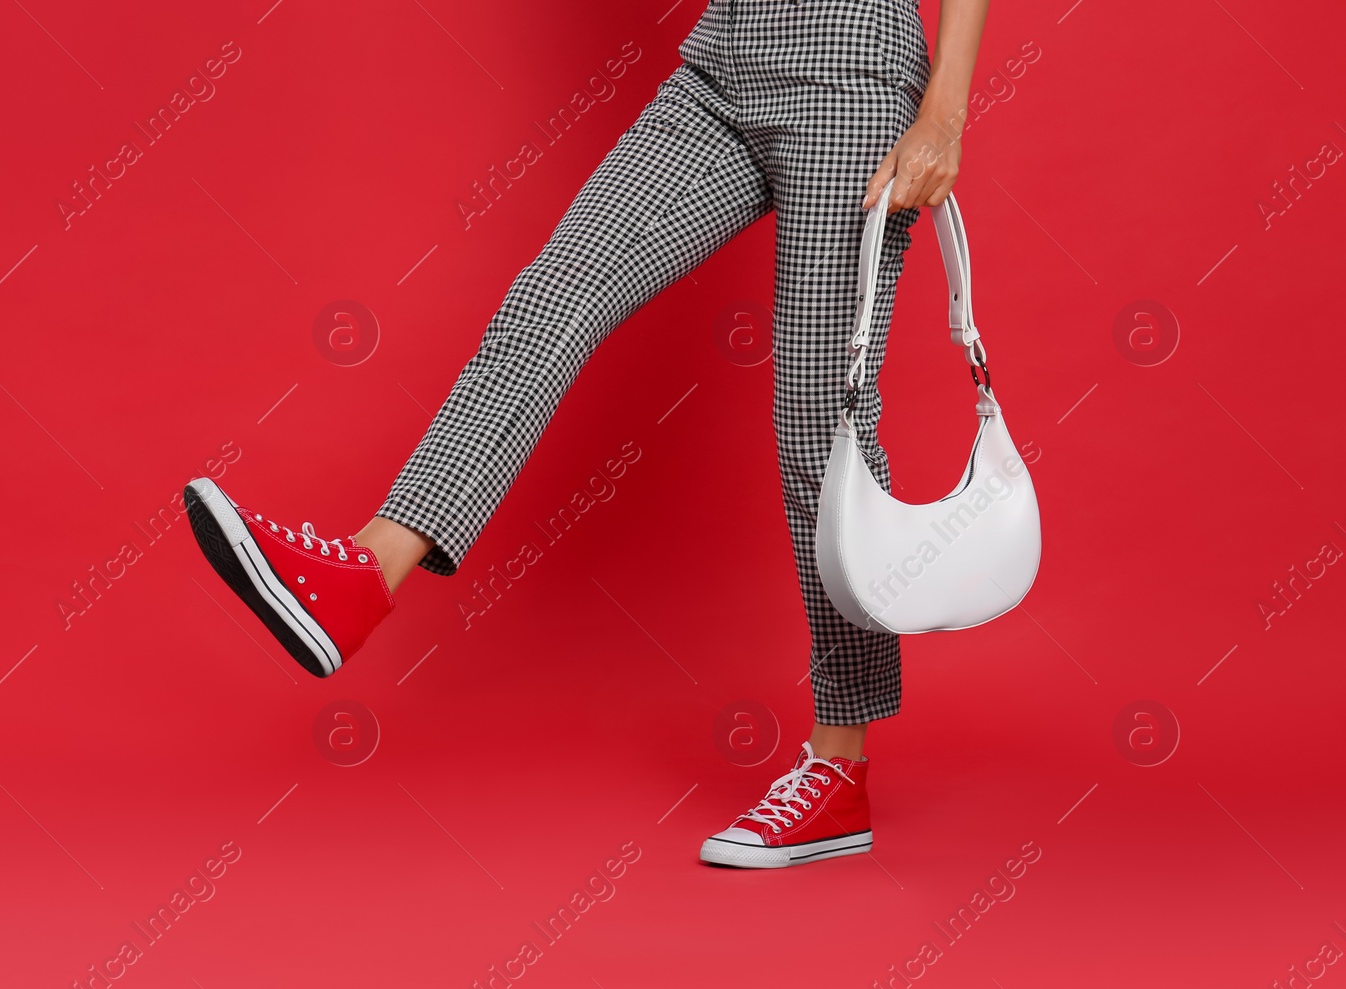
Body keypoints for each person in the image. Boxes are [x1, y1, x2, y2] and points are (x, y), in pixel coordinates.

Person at [185, 0, 989, 869]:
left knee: (817, 419)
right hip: (721, 63)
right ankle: (363, 578)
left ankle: (840, 767)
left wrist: (942, 112)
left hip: (849, 74)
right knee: (554, 297)